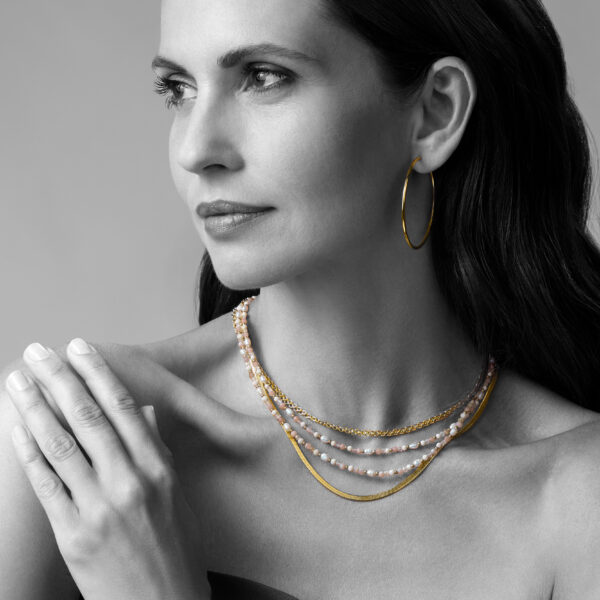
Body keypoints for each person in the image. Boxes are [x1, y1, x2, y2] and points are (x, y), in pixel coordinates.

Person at [1, 0, 600, 598]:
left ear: (434, 112)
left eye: (264, 77)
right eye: (178, 89)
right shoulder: (76, 443)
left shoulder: (577, 496)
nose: (195, 150)